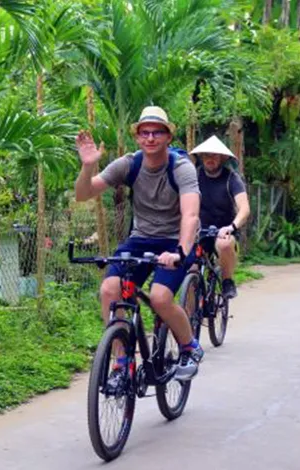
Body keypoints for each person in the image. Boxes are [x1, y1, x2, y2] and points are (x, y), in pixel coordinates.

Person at [74, 106, 203, 381]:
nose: (151, 138)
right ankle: (121, 363)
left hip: (174, 240)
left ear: (169, 136)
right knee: (110, 290)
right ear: (137, 137)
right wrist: (87, 166)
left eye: (157, 132)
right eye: (145, 133)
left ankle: (189, 346)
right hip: (140, 238)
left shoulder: (181, 168)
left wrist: (180, 252)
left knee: (159, 297)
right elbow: (84, 194)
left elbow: (190, 215)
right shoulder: (129, 164)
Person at [189, 136, 250, 300]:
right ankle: (188, 320)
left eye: (214, 155)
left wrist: (232, 227)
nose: (210, 159)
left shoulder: (232, 179)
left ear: (222, 158)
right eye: (207, 155)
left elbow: (244, 209)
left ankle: (227, 281)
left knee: (224, 244)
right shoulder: (194, 177)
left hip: (223, 231)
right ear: (201, 157)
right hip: (199, 230)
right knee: (190, 272)